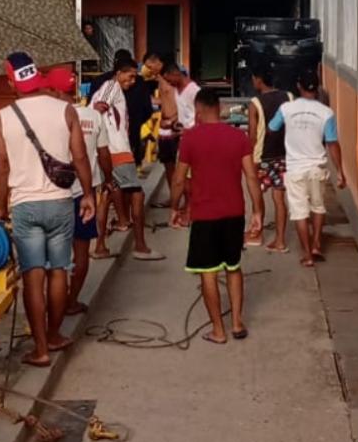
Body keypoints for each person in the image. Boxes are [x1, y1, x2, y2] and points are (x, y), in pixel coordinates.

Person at [0, 52, 94, 367]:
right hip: (61, 201)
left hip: (25, 206)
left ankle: (40, 349)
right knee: (59, 270)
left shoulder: (2, 116)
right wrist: (88, 195)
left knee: (33, 276)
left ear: (12, 81)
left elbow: (1, 168)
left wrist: (1, 206)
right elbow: (79, 157)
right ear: (36, 77)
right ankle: (54, 334)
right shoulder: (65, 109)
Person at [171, 89, 264, 344]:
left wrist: (174, 207)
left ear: (198, 111)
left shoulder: (190, 139)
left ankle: (218, 330)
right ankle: (236, 323)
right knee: (233, 267)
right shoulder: (239, 137)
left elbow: (179, 179)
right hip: (234, 212)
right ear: (221, 108)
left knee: (207, 272)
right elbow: (252, 176)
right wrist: (258, 211)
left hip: (205, 214)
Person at [47, 70, 114, 317]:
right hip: (85, 194)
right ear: (75, 90)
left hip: (53, 195)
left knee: (54, 255)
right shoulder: (93, 116)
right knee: (81, 251)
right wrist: (108, 179)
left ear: (53, 91)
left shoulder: (48, 118)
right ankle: (71, 301)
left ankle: (53, 302)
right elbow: (104, 154)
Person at [268, 70, 346, 268]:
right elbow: (332, 143)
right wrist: (340, 172)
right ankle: (317, 244)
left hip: (295, 168)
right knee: (318, 207)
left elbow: (272, 128)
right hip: (317, 167)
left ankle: (307, 254)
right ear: (317, 88)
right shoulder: (326, 112)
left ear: (299, 86)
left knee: (300, 212)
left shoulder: (286, 108)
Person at [91, 61, 163, 261]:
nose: (132, 81)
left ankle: (100, 245)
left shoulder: (104, 89)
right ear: (118, 73)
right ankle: (140, 245)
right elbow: (97, 109)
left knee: (106, 194)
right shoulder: (111, 87)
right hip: (117, 151)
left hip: (106, 151)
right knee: (137, 195)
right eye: (129, 76)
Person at [246, 64, 294, 251]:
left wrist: (248, 156)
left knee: (256, 196)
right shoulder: (289, 97)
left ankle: (256, 234)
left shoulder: (255, 103)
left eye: (253, 78)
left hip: (262, 156)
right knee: (279, 198)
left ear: (259, 80)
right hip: (284, 154)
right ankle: (280, 240)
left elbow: (252, 135)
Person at [156, 58, 201, 227]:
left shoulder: (193, 90)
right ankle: (188, 207)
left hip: (193, 137)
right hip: (182, 136)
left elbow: (200, 115)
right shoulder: (177, 90)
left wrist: (188, 130)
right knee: (184, 177)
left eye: (169, 79)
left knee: (187, 177)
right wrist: (174, 123)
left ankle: (190, 210)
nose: (168, 83)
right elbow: (183, 114)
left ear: (175, 74)